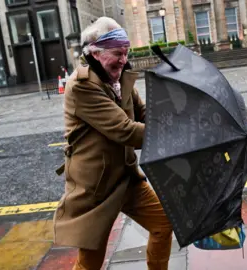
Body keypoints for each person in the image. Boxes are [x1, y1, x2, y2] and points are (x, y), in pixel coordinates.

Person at [53, 17, 173, 270]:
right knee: (90, 261)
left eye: (126, 52)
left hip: (126, 178)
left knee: (164, 223)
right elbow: (125, 130)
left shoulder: (120, 78)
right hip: (95, 187)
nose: (123, 59)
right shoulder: (82, 85)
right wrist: (173, 134)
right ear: (96, 53)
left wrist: (174, 119)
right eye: (117, 53)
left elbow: (143, 114)